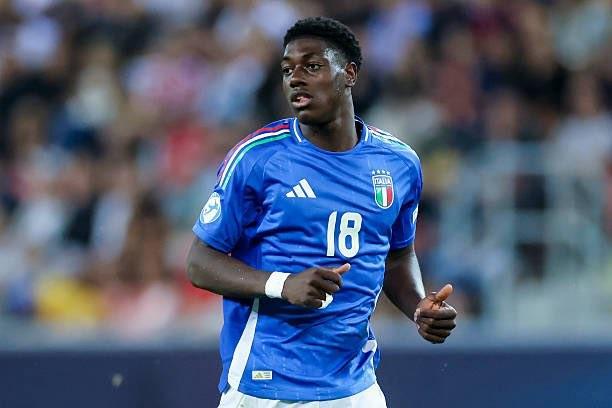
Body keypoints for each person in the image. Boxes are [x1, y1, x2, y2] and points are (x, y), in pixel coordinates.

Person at [187, 17, 457, 407]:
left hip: (355, 386)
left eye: (312, 66)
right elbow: (199, 262)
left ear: (349, 74)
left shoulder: (398, 164)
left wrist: (417, 306)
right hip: (265, 384)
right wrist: (283, 284)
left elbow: (398, 255)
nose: (295, 78)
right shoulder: (258, 158)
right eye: (287, 70)